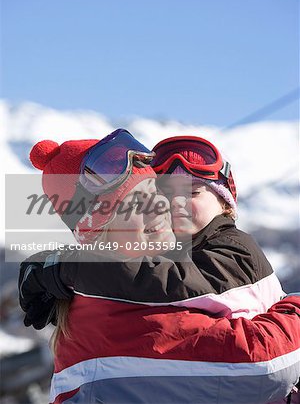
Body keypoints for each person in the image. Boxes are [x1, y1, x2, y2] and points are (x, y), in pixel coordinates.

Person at [19, 130, 300, 403]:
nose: (159, 208)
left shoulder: (128, 286)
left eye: (154, 192)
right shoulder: (119, 312)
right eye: (132, 206)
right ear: (99, 231)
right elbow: (262, 363)